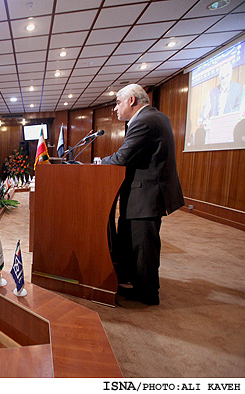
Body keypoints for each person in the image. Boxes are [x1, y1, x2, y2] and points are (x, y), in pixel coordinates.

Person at [101, 84, 184, 305]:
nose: (116, 109)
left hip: (147, 193)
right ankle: (133, 279)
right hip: (145, 191)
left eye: (118, 103)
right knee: (131, 239)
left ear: (131, 101)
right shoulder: (153, 116)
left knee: (143, 244)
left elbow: (122, 157)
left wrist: (100, 162)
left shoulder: (143, 121)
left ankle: (148, 293)